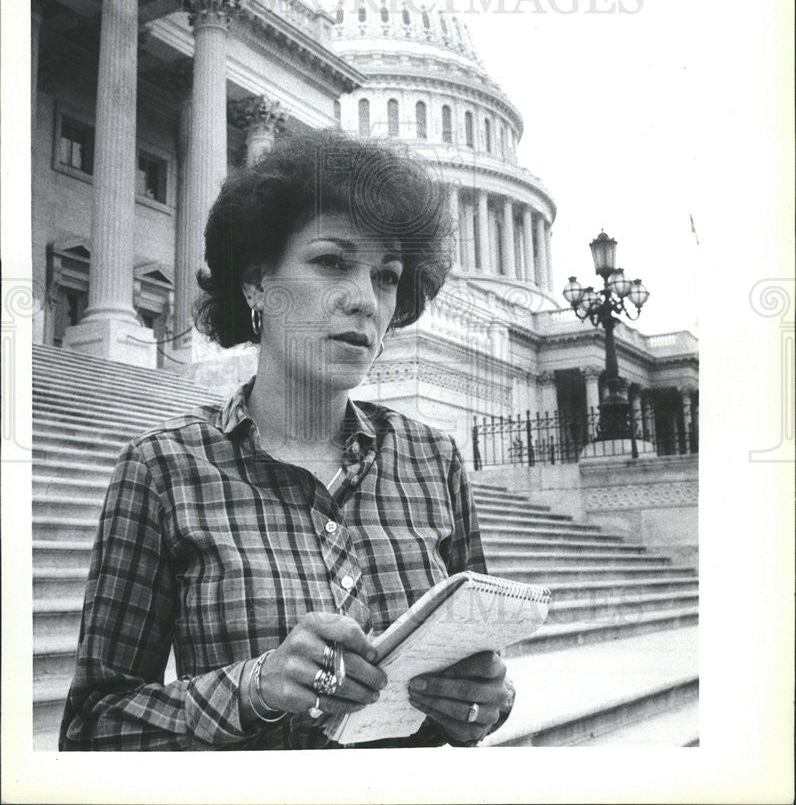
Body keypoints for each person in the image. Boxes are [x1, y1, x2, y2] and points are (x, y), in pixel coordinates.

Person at [59, 130, 515, 750]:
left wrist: (485, 702)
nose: (364, 301)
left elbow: (477, 666)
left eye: (386, 277)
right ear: (256, 283)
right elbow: (92, 728)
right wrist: (256, 688)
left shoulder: (433, 460)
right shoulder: (162, 470)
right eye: (332, 262)